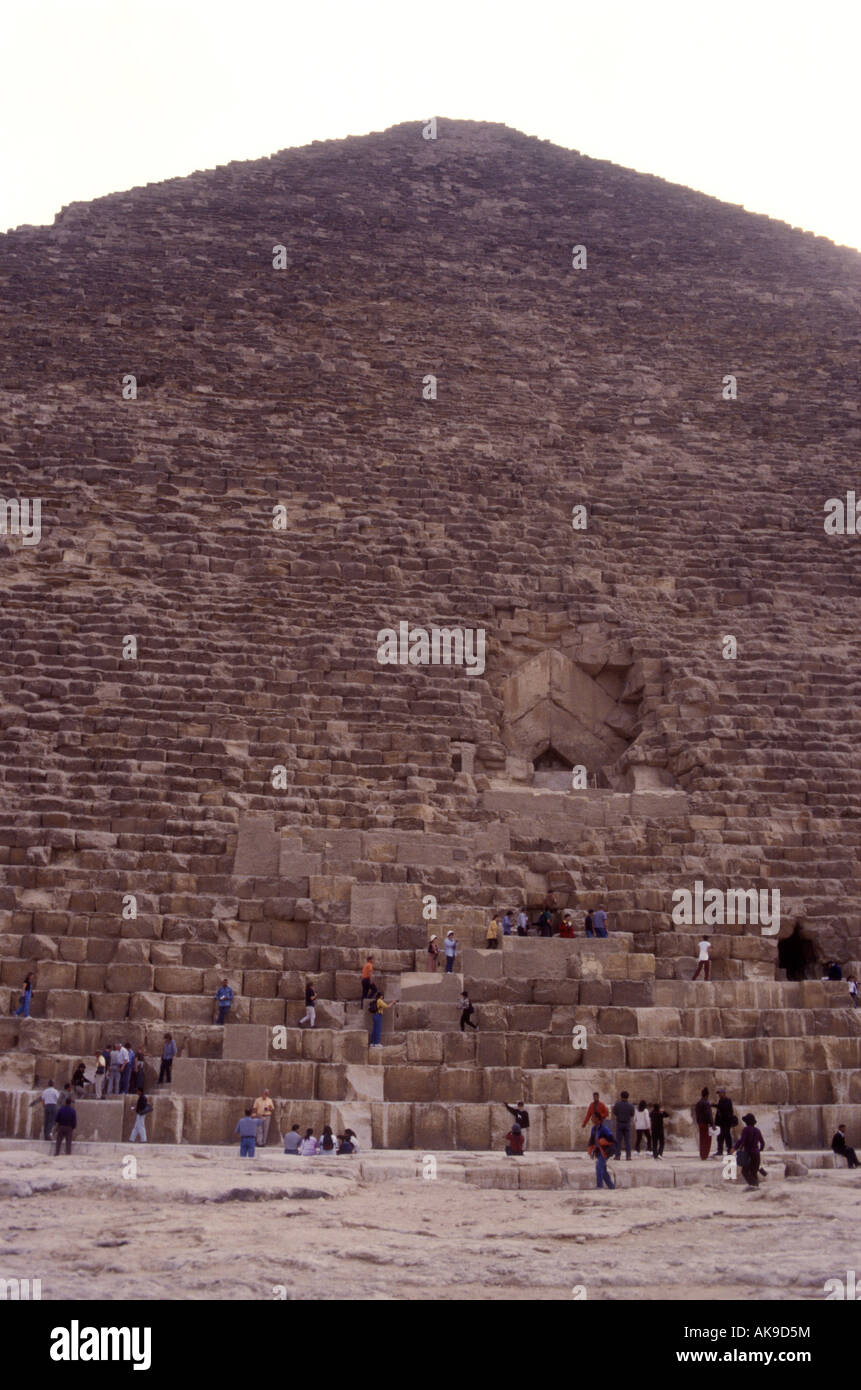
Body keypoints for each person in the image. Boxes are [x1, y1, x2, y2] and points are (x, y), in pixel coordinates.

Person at [734, 1112, 765, 1188]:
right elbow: (763, 1143)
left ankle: (753, 1185)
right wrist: (758, 1150)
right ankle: (756, 1186)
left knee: (744, 1172)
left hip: (748, 1154)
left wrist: (736, 1148)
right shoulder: (757, 1130)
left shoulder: (746, 1129)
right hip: (756, 1154)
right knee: (754, 1172)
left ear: (747, 1122)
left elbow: (742, 1141)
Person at [588, 1119, 616, 1190]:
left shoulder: (605, 1128)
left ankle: (599, 1186)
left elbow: (611, 1140)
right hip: (599, 1151)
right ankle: (611, 1186)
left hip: (606, 1151)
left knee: (599, 1166)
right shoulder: (594, 1129)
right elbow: (592, 1140)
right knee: (603, 1169)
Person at [612, 1091, 635, 1161]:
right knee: (627, 1141)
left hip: (620, 1123)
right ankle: (628, 1156)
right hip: (627, 1123)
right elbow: (632, 1114)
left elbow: (615, 1112)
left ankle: (617, 1156)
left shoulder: (617, 1105)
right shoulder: (631, 1105)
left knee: (618, 1140)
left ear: (621, 1096)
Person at [714, 1090, 736, 1157]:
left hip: (726, 1123)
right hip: (720, 1123)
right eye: (719, 1094)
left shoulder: (728, 1101)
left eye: (720, 1094)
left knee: (727, 1137)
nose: (719, 1095)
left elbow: (724, 1109)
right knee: (720, 1137)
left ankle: (729, 1150)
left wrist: (716, 1106)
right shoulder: (721, 1101)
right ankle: (720, 1150)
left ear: (724, 1093)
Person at [695, 1088, 713, 1160]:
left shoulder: (698, 1103)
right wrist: (712, 1124)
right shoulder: (706, 1103)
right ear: (707, 1095)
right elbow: (708, 1114)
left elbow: (697, 1113)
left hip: (700, 1123)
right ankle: (705, 1155)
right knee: (707, 1140)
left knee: (702, 1139)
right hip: (706, 1124)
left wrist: (698, 1121)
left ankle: (702, 1155)